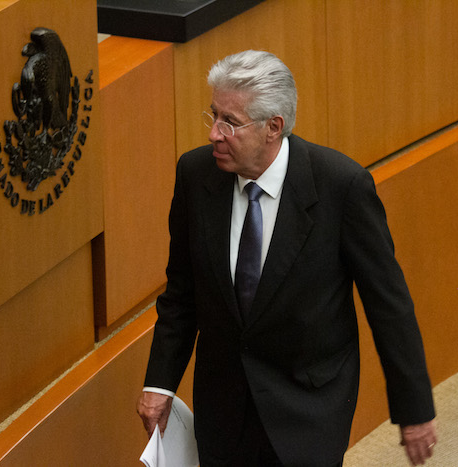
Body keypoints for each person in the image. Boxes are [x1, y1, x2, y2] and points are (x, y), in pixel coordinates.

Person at [137, 50, 437, 467]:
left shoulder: (341, 186)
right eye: (214, 115)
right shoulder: (195, 174)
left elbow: (388, 304)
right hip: (224, 407)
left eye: (230, 122)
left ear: (273, 127)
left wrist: (414, 410)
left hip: (308, 406)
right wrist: (160, 383)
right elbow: (182, 293)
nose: (214, 134)